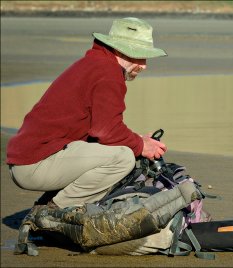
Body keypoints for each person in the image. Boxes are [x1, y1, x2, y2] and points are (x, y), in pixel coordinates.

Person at [6, 17, 168, 209]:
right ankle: (54, 211)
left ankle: (49, 205)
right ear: (119, 50)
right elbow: (107, 131)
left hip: (30, 157)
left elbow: (101, 130)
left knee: (120, 149)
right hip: (33, 164)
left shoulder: (95, 63)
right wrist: (140, 145)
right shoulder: (108, 73)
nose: (144, 65)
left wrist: (137, 140)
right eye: (140, 56)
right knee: (123, 158)